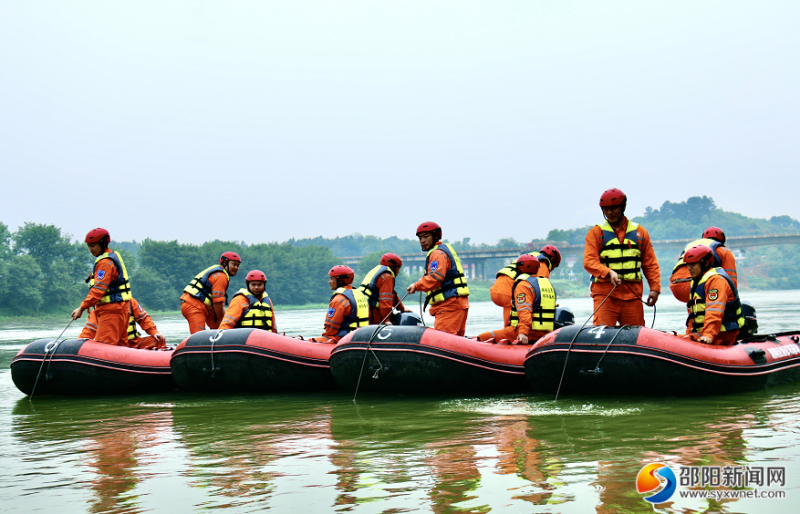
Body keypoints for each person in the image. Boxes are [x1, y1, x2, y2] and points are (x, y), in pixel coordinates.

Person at [583, 189, 661, 326]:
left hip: (633, 295)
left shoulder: (640, 233)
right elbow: (589, 261)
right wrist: (608, 272)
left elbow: (650, 264)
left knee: (636, 336)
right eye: (605, 209)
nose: (609, 213)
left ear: (623, 207)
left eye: (613, 208)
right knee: (602, 335)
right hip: (605, 295)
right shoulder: (596, 232)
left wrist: (655, 289)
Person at [406, 221, 470, 336]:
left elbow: (435, 278)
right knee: (455, 342)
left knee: (445, 341)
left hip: (449, 305)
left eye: (426, 237)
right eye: (420, 238)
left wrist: (416, 286)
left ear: (435, 236)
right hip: (456, 303)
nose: (422, 241)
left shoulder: (437, 254)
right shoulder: (442, 251)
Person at [71, 228, 133, 346]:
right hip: (122, 310)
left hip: (111, 312)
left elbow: (98, 290)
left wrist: (82, 308)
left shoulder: (104, 263)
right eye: (89, 246)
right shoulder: (113, 257)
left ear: (103, 243)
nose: (90, 249)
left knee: (105, 347)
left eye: (93, 245)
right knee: (120, 347)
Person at [477, 254, 556, 344]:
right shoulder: (546, 284)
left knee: (482, 337)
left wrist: (523, 333)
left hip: (524, 332)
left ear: (521, 268)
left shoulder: (523, 285)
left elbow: (525, 310)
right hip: (544, 334)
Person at [683, 244, 744, 345]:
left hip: (724, 335)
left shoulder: (716, 281)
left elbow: (714, 311)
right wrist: (688, 334)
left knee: (684, 341)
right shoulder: (696, 282)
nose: (689, 268)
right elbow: (692, 316)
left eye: (693, 264)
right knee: (673, 338)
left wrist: (708, 335)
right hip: (703, 333)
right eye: (688, 264)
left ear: (706, 263)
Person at [490, 245, 561, 326]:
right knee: (515, 323)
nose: (552, 269)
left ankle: (508, 334)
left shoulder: (533, 255)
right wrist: (549, 303)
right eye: (555, 266)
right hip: (509, 290)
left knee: (510, 321)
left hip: (496, 289)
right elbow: (539, 288)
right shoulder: (543, 265)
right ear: (552, 259)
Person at [670, 226, 738, 303]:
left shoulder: (690, 246)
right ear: (721, 240)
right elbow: (731, 281)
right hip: (698, 286)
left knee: (696, 307)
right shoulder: (724, 251)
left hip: (676, 287)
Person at [180, 252, 241, 334]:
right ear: (225, 263)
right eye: (234, 264)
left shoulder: (218, 272)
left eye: (238, 265)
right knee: (198, 336)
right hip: (194, 305)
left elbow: (218, 305)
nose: (236, 268)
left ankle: (218, 342)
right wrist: (225, 323)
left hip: (200, 304)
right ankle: (199, 346)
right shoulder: (221, 276)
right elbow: (218, 303)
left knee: (217, 327)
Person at [310, 265, 369, 343]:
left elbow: (331, 330)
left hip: (343, 339)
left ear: (340, 281)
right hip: (361, 337)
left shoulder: (338, 300)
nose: (329, 282)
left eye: (331, 279)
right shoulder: (361, 295)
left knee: (310, 341)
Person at [79, 297, 167, 349]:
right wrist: (78, 345)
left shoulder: (130, 302)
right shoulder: (98, 310)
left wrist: (154, 332)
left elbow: (144, 318)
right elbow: (89, 331)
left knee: (159, 341)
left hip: (133, 342)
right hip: (113, 346)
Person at [358, 253, 410, 324]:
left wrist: (401, 308)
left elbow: (392, 294)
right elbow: (386, 299)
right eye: (398, 268)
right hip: (372, 311)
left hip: (363, 309)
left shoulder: (377, 271)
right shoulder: (387, 277)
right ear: (392, 266)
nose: (399, 271)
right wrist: (386, 319)